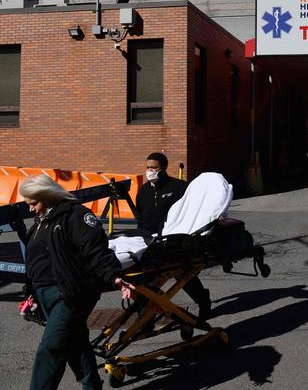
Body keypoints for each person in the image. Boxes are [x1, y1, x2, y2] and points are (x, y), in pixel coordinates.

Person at [21, 174, 133, 390]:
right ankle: (92, 385)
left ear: (47, 195)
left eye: (34, 203)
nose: (31, 209)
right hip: (45, 296)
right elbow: (36, 261)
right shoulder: (39, 224)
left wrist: (115, 276)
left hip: (70, 294)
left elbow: (97, 250)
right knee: (75, 343)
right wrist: (31, 293)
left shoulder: (75, 215)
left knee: (51, 347)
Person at [135, 152, 211, 318]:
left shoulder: (178, 188)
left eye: (154, 167)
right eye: (148, 167)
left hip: (174, 241)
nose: (150, 171)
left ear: (163, 168)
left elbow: (192, 213)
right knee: (147, 281)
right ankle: (145, 319)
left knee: (182, 275)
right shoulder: (143, 191)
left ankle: (203, 300)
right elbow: (141, 218)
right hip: (151, 242)